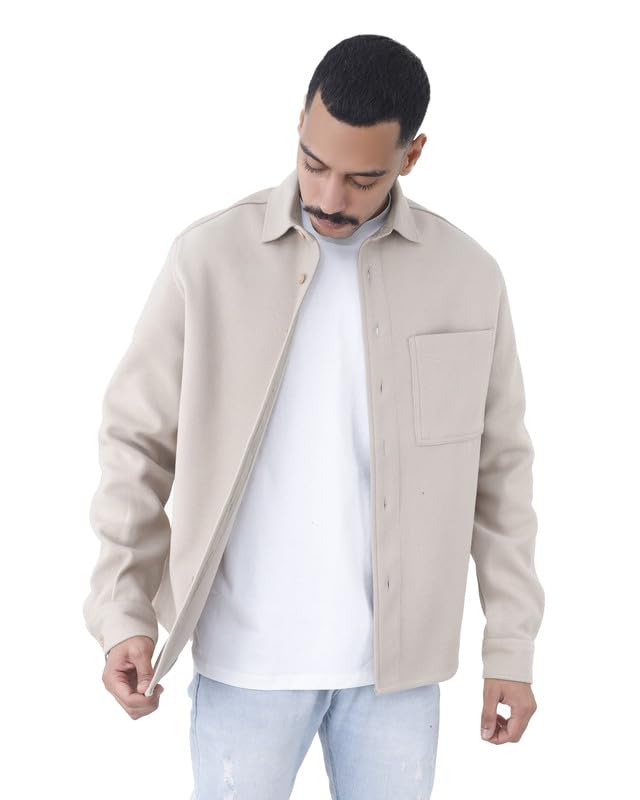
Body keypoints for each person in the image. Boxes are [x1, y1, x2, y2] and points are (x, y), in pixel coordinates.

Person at [84, 33, 544, 799]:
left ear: (412, 154)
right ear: (298, 124)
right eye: (313, 163)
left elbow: (500, 478)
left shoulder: (467, 277)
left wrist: (512, 648)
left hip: (397, 675)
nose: (331, 198)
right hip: (245, 665)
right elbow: (135, 443)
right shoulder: (207, 259)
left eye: (363, 179)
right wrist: (122, 612)